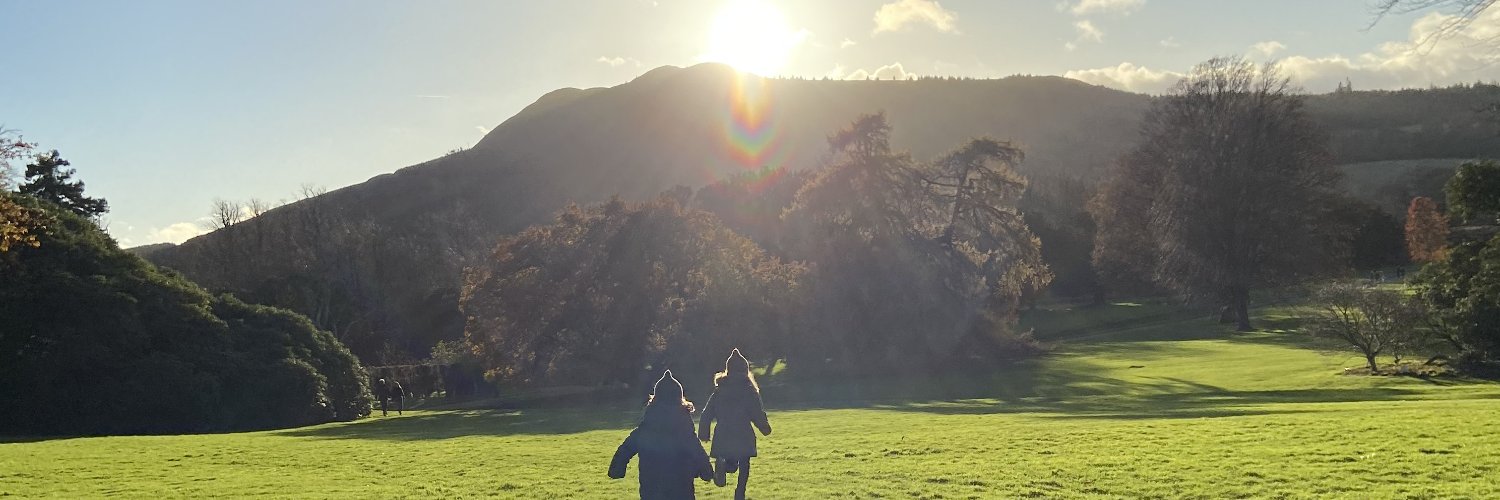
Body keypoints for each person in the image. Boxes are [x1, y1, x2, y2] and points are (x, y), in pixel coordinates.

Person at [609, 370, 713, 499]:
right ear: (680, 399)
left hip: (652, 489)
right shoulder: (684, 431)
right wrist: (706, 472)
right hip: (681, 489)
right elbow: (697, 452)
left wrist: (617, 469)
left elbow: (625, 449)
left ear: (655, 400)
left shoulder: (645, 429)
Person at [697, 349, 772, 500]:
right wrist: (765, 428)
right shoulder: (749, 391)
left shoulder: (719, 391)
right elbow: (757, 413)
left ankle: (723, 465)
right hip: (743, 433)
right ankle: (740, 493)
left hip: (723, 433)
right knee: (744, 463)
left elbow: (706, 413)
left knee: (730, 459)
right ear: (745, 370)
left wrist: (704, 433)